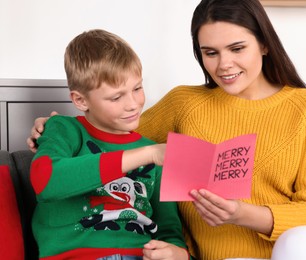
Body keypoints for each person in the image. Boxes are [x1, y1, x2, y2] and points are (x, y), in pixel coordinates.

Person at [28, 1, 306, 259]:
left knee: (301, 240)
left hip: (297, 252)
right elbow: (111, 132)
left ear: (264, 44)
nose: (224, 65)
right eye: (210, 53)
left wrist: (242, 214)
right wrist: (55, 127)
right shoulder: (184, 104)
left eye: (237, 48)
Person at [29, 29, 190, 260]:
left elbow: (169, 229)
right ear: (80, 100)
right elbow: (45, 179)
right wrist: (147, 154)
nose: (133, 104)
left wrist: (178, 253)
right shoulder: (64, 129)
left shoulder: (155, 153)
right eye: (116, 97)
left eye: (137, 88)